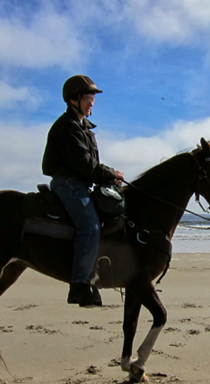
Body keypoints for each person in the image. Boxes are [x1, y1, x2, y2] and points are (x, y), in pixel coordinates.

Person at [42, 75, 123, 307]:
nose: (91, 103)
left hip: (81, 183)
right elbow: (85, 165)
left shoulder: (84, 127)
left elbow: (90, 166)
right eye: (87, 98)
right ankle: (79, 284)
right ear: (72, 100)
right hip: (68, 183)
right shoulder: (66, 127)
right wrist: (112, 174)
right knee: (90, 226)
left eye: (93, 99)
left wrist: (109, 176)